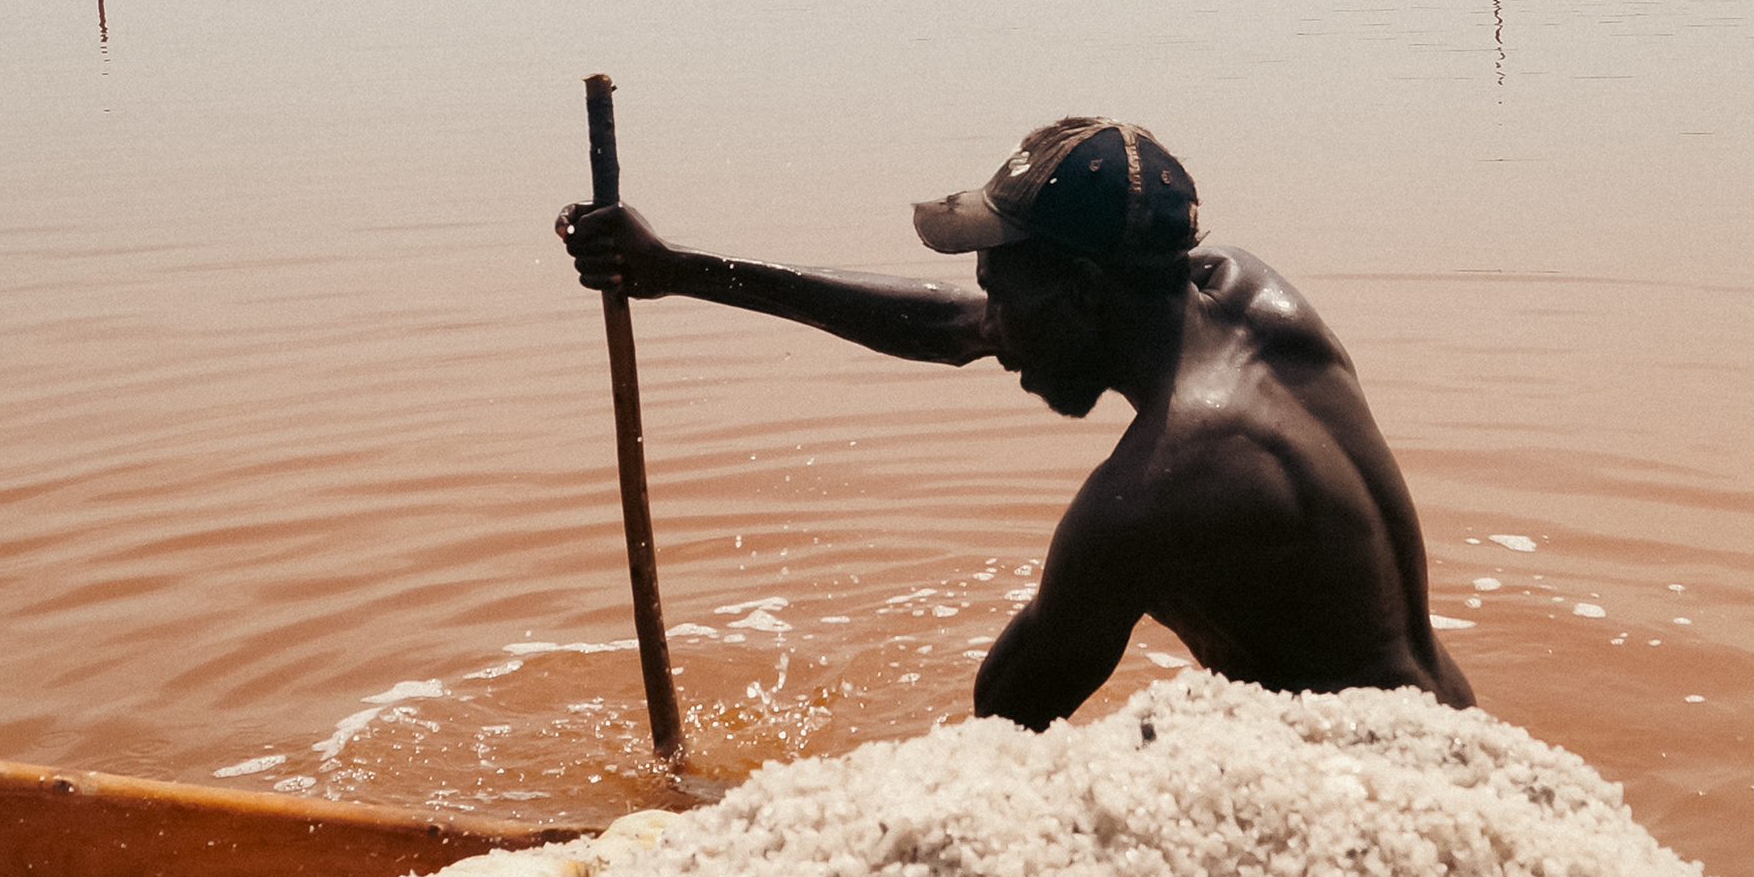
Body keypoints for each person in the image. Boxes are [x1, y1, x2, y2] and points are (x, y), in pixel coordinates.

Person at [556, 117, 1475, 728]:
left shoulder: (1151, 497)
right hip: (1456, 732)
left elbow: (1005, 716)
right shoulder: (1247, 297)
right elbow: (957, 327)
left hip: (1370, 809)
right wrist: (679, 270)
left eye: (1003, 289)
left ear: (1082, 291)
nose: (992, 322)